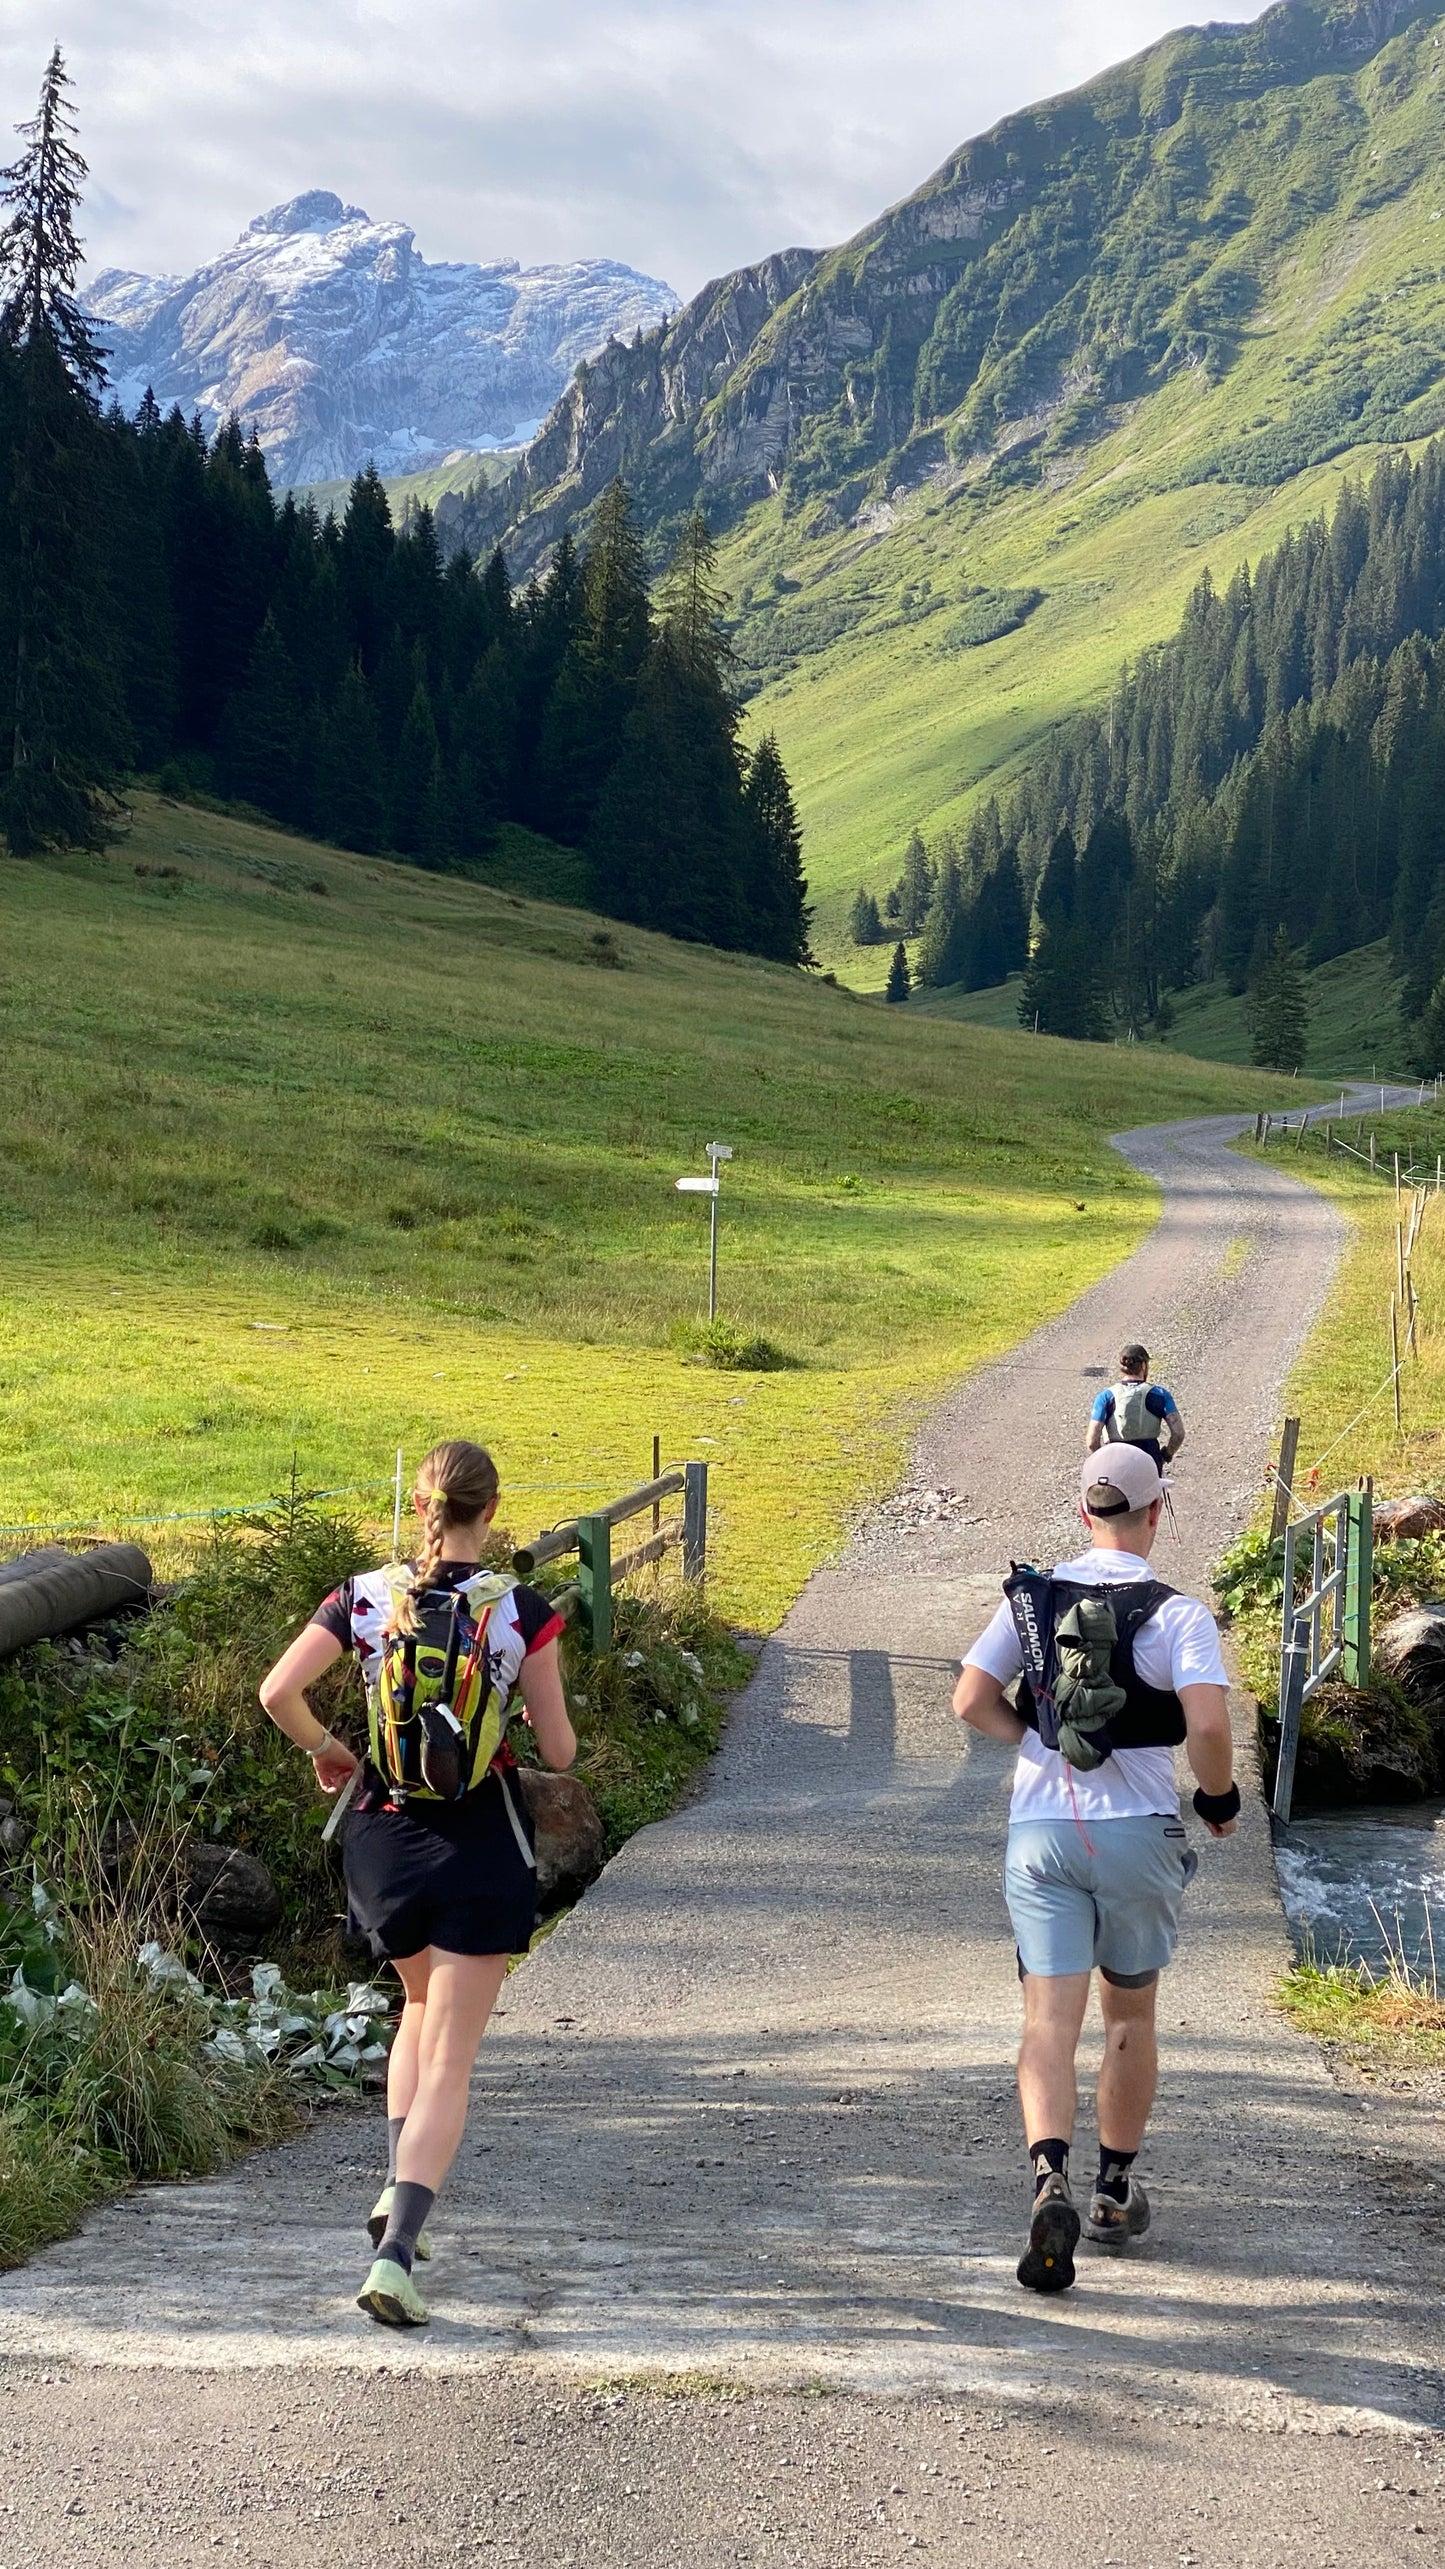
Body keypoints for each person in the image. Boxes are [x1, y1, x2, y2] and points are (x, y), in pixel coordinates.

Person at [259, 1437, 577, 2329]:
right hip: (477, 1843)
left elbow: (276, 1691)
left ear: (423, 1503)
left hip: (380, 1838)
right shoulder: (521, 1610)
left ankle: (397, 2186)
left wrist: (331, 1752)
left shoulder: (363, 1598)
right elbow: (557, 1752)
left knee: (420, 2012)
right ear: (491, 1506)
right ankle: (396, 2253)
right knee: (452, 2055)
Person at [951, 1444, 1237, 2294]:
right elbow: (1210, 1728)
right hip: (1136, 1834)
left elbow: (969, 1697)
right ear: (1159, 1512)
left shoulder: (1032, 1600)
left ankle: (1049, 2181)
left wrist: (1034, 1738)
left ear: (1083, 1511)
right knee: (1128, 2019)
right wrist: (1217, 1803)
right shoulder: (1176, 1614)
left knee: (1047, 2021)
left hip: (1039, 1831)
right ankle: (1112, 2192)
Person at [1086, 1343, 1184, 1474]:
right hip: (1149, 1461)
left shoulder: (1105, 1396)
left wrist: (1104, 1460)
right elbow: (1178, 1433)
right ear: (1144, 1366)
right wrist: (1166, 1455)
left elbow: (1092, 1441)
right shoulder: (1160, 1394)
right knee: (1154, 1494)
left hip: (1116, 1463)